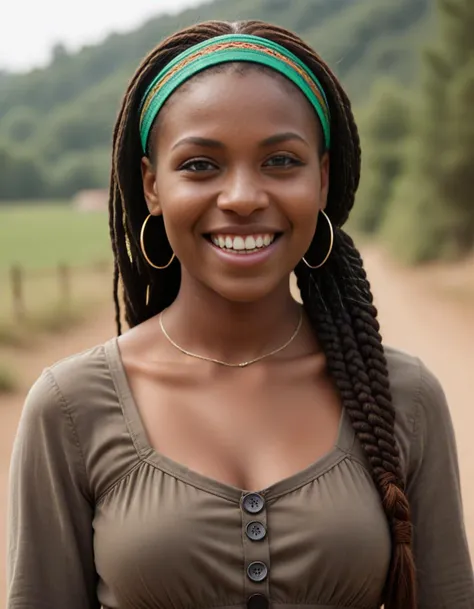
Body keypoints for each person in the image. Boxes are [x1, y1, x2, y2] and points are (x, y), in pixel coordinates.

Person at [6, 19, 474, 609]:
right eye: (201, 165)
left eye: (281, 161)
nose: (244, 197)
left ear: (323, 179)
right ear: (152, 186)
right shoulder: (70, 410)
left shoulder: (402, 398)